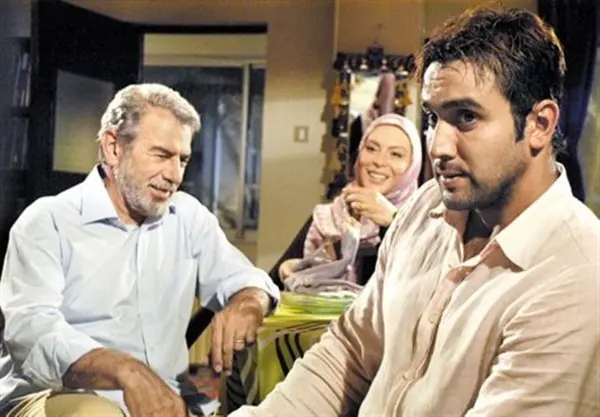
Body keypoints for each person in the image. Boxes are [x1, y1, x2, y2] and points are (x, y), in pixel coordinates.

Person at [232, 6, 600, 417]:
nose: (438, 147)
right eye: (431, 118)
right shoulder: (426, 208)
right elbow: (349, 353)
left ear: (540, 124)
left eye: (466, 117)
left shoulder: (577, 274)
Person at [0, 83, 280, 417]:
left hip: (166, 400)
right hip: (52, 395)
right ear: (113, 148)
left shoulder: (188, 217)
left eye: (182, 160)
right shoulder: (48, 221)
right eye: (161, 155)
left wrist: (249, 301)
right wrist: (124, 370)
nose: (174, 175)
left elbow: (244, 277)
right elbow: (31, 332)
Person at [278, 114, 422, 288]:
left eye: (396, 154)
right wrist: (287, 271)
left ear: (413, 165)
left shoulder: (423, 223)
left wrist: (394, 223)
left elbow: (415, 286)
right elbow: (273, 282)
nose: (379, 161)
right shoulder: (329, 216)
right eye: (371, 148)